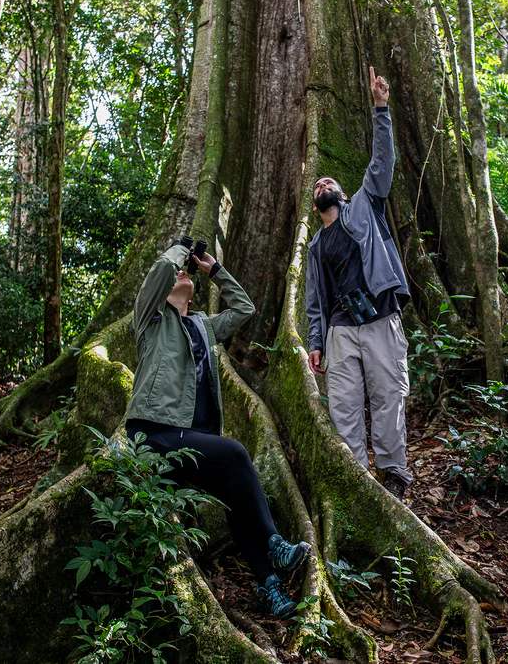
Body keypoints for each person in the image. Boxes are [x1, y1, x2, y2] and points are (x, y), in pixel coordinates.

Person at [125, 239, 312, 618]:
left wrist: (214, 270)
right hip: (154, 432)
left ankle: (267, 586)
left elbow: (244, 309)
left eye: (186, 273)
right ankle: (274, 543)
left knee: (233, 494)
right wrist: (180, 249)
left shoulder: (203, 326)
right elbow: (161, 271)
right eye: (180, 271)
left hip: (193, 440)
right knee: (237, 452)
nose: (182, 272)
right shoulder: (150, 320)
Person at [305, 67, 414, 500]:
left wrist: (380, 108)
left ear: (344, 195)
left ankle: (393, 473)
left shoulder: (365, 205)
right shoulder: (315, 247)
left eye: (330, 181)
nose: (324, 183)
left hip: (381, 315)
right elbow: (315, 301)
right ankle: (356, 482)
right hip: (340, 329)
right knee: (344, 407)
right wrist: (316, 340)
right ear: (316, 206)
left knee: (389, 396)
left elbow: (382, 163)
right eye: (318, 184)